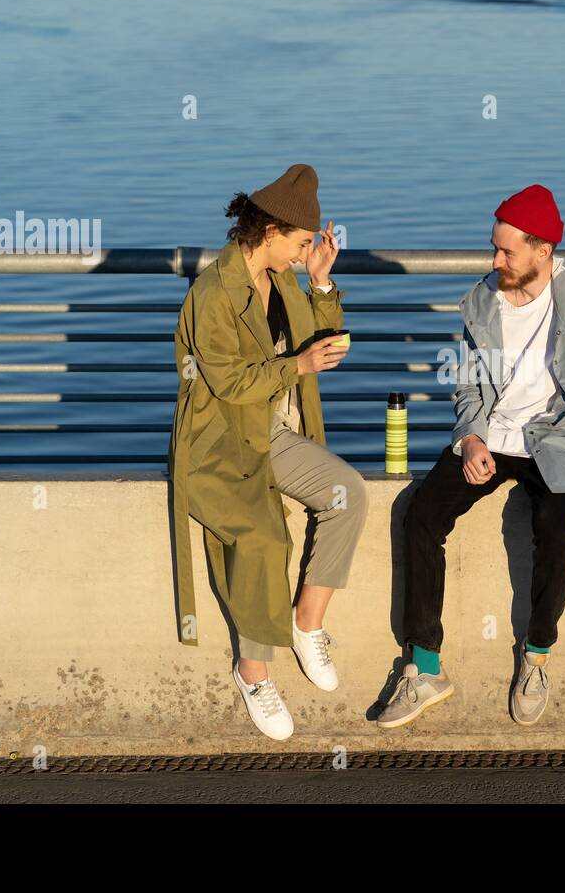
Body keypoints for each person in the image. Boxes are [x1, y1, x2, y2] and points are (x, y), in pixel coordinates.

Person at [378, 183, 565, 729]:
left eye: (506, 252)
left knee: (557, 532)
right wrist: (470, 438)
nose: (495, 261)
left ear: (543, 252)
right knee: (421, 516)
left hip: (561, 440)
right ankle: (424, 668)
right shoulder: (482, 302)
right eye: (493, 248)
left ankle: (536, 657)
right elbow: (470, 386)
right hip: (492, 437)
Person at [168, 163, 367, 741]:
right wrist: (297, 366)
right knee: (263, 534)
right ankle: (252, 672)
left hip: (276, 433)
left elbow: (317, 348)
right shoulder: (213, 291)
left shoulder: (283, 282)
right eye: (304, 243)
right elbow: (228, 383)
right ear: (273, 229)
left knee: (346, 493)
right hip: (221, 441)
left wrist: (322, 286)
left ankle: (307, 625)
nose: (307, 252)